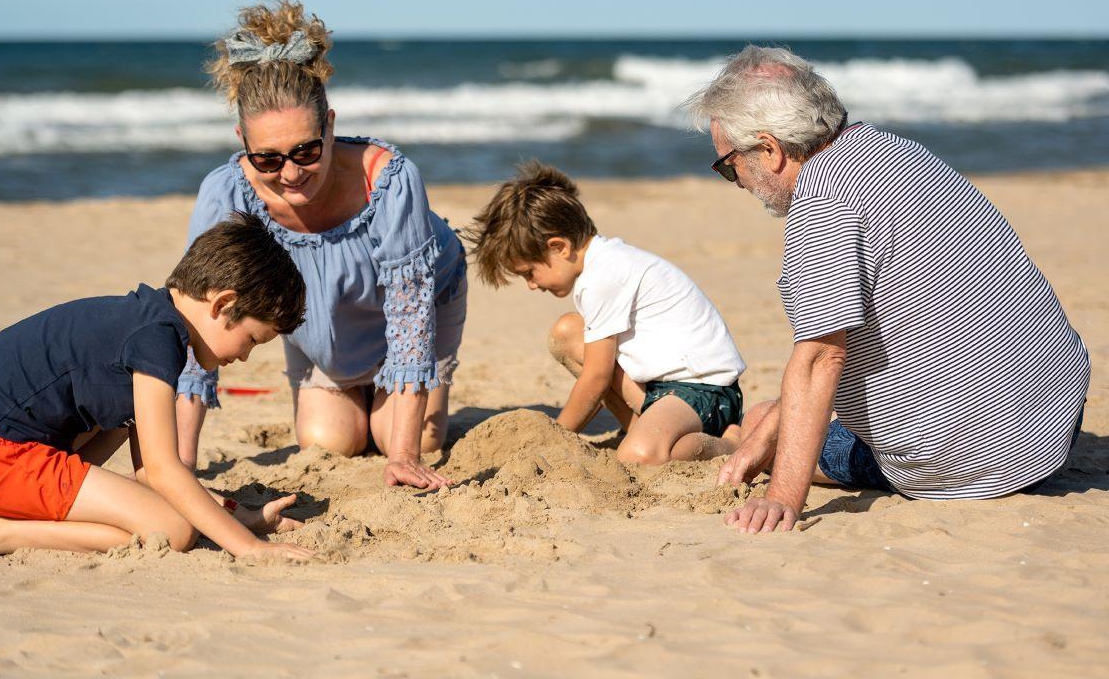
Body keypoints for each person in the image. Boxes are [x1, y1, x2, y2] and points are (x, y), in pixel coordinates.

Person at [682, 46, 1090, 534]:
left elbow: (821, 359)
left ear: (769, 150)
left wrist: (781, 498)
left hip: (974, 456)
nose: (738, 182)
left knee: (760, 425)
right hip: (1052, 414)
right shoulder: (896, 152)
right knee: (773, 418)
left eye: (729, 166)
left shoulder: (823, 206)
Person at [176, 0, 467, 491]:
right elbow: (196, 327)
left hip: (416, 305)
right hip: (318, 320)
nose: (290, 174)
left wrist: (403, 456)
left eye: (306, 150)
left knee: (405, 437)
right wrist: (181, 466)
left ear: (330, 125)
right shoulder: (225, 193)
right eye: (267, 158)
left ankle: (393, 405)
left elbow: (410, 313)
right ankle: (351, 392)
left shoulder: (389, 180)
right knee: (327, 442)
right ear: (241, 140)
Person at [0, 214, 315, 561]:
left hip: (0, 445)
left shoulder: (150, 321)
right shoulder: (157, 341)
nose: (244, 357)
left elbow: (151, 473)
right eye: (251, 340)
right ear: (222, 305)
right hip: (0, 458)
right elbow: (162, 472)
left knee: (131, 440)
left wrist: (232, 513)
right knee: (173, 532)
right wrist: (248, 546)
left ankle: (17, 514)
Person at [464, 161, 747, 465]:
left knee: (642, 456)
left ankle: (730, 445)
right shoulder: (598, 265)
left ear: (559, 247)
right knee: (568, 333)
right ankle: (641, 430)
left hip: (703, 392)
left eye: (529, 273)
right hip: (660, 389)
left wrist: (554, 439)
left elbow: (597, 377)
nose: (531, 285)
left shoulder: (604, 275)